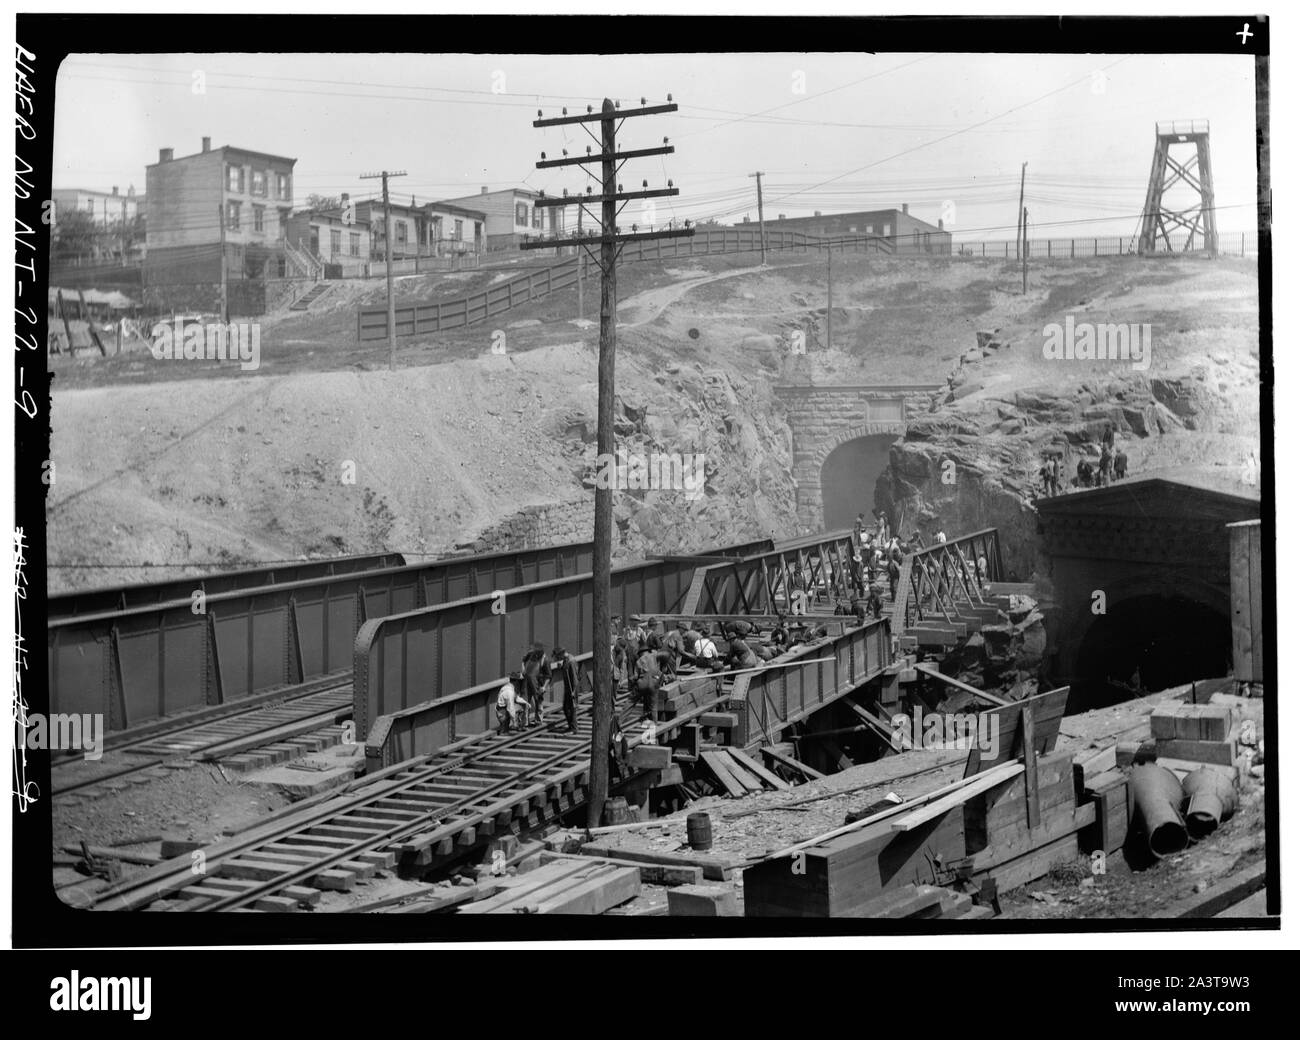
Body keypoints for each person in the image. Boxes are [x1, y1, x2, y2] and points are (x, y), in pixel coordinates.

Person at [552, 646, 580, 733]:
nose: (557, 658)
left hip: (572, 689)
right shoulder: (566, 660)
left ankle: (574, 728)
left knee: (572, 708)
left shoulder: (571, 661)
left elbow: (575, 678)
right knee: (566, 707)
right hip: (568, 688)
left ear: (561, 655)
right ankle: (570, 726)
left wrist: (574, 691)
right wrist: (561, 667)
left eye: (557, 657)